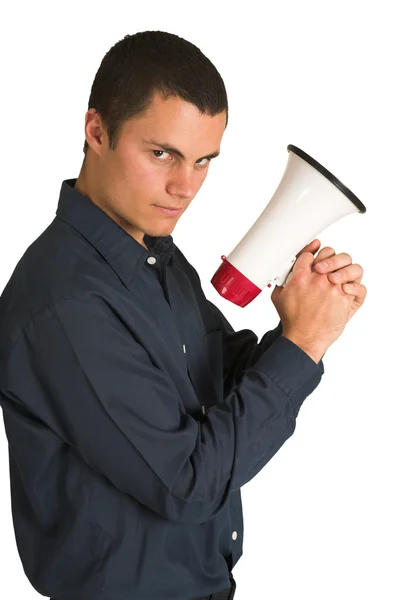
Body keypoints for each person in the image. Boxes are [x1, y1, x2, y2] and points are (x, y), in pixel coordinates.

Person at [0, 30, 366, 600]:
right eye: (162, 154)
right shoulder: (64, 305)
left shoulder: (154, 255)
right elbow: (189, 483)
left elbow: (215, 377)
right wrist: (302, 344)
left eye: (203, 161)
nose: (184, 187)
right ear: (97, 131)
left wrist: (305, 317)